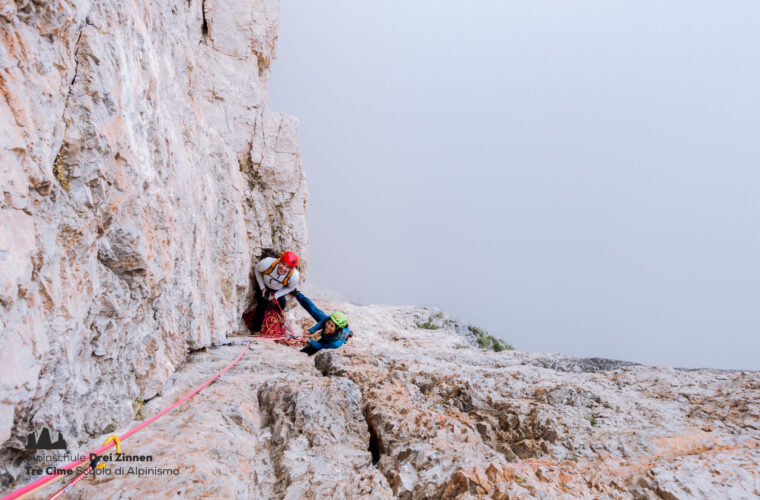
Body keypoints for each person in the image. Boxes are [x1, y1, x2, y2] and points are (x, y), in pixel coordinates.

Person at [242, 251, 300, 334]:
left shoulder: (294, 276)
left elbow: (291, 287)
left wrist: (276, 296)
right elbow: (257, 269)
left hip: (279, 289)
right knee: (262, 305)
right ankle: (256, 330)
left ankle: (277, 312)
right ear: (279, 260)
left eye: (287, 267)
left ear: (291, 269)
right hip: (265, 286)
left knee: (282, 303)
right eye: (283, 264)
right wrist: (262, 287)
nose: (283, 268)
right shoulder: (267, 263)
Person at [294, 290, 351, 355]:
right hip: (329, 332)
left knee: (312, 348)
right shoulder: (330, 319)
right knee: (313, 310)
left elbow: (320, 346)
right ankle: (298, 294)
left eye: (332, 326)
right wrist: (310, 331)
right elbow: (321, 323)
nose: (328, 326)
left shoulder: (335, 343)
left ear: (337, 329)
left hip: (329, 339)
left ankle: (298, 355)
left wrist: (309, 341)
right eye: (329, 323)